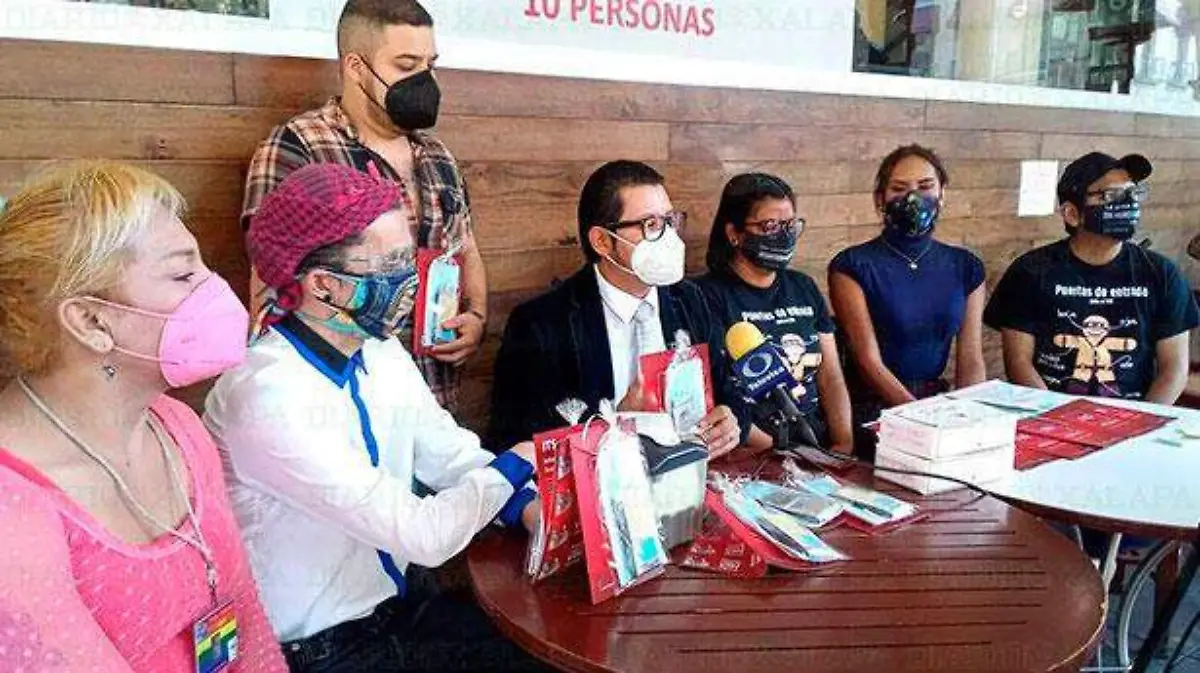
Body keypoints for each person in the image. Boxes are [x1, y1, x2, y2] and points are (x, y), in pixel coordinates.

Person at [205, 163, 544, 673]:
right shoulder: (266, 395)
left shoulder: (379, 350)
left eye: (410, 256)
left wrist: (525, 505)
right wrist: (518, 464)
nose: (413, 277)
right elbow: (423, 535)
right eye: (394, 263)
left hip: (400, 608)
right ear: (324, 285)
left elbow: (447, 453)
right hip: (319, 650)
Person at [0, 161, 285, 671]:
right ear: (91, 321)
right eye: (183, 274)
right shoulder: (12, 511)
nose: (216, 288)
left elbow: (244, 611)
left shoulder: (177, 426)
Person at [242, 0, 482, 415]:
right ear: (355, 66)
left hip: (435, 401)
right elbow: (269, 285)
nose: (425, 80)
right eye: (407, 65)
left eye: (430, 65)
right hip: (341, 407)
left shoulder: (438, 156)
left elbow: (467, 249)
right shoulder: (299, 147)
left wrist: (475, 316)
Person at [489, 160, 747, 457]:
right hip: (600, 481)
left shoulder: (689, 298)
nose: (669, 237)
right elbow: (515, 444)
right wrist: (614, 424)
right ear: (602, 241)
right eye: (651, 225)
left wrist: (731, 420)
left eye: (670, 221)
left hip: (690, 472)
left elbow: (728, 391)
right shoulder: (542, 324)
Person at [985, 152, 1198, 403]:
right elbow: (1019, 363)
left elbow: (1174, 370)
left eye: (1133, 193)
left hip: (1135, 412)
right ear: (1072, 214)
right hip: (1047, 411)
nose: (1128, 203)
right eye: (1111, 196)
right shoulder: (1031, 271)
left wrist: (1143, 421)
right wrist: (1053, 416)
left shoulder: (1162, 273)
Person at [828, 144, 987, 459]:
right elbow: (868, 361)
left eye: (925, 187)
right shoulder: (852, 265)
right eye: (899, 189)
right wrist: (921, 420)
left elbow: (971, 359)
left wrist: (970, 417)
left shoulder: (966, 266)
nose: (913, 198)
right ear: (880, 199)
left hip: (937, 403)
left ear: (942, 194)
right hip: (876, 407)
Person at [696, 173, 853, 454]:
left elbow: (831, 376)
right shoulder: (703, 297)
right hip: (753, 453)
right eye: (769, 226)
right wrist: (786, 453)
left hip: (818, 447)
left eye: (790, 225)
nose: (783, 235)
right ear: (734, 234)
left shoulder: (804, 287)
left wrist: (843, 444)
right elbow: (712, 393)